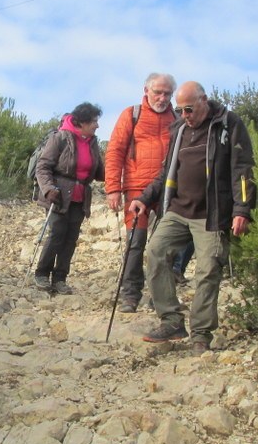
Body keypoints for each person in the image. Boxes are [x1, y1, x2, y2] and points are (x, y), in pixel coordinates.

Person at [127, 81, 256, 351]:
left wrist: (242, 209)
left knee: (208, 269)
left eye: (188, 109)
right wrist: (143, 197)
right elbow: (166, 172)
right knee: (155, 252)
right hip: (177, 210)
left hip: (212, 214)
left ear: (203, 101)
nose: (184, 114)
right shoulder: (180, 130)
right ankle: (171, 321)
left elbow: (242, 169)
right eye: (180, 109)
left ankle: (200, 334)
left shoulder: (228, 124)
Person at [104, 73, 178, 312]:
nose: (163, 97)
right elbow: (114, 151)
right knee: (136, 242)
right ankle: (130, 294)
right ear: (146, 90)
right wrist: (113, 188)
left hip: (168, 190)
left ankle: (161, 295)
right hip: (136, 189)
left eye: (167, 93)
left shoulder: (177, 118)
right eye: (158, 92)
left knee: (166, 246)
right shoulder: (131, 114)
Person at [33, 102, 105, 295]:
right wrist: (48, 189)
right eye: (94, 121)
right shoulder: (60, 138)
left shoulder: (92, 142)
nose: (97, 125)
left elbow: (99, 172)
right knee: (57, 234)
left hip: (80, 198)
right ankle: (41, 273)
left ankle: (60, 279)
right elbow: (43, 166)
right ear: (81, 122)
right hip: (58, 195)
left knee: (71, 239)